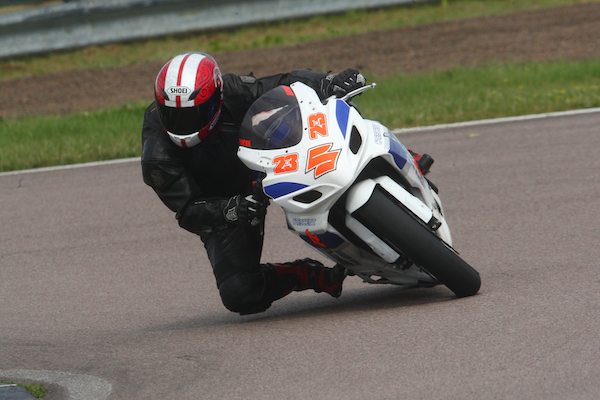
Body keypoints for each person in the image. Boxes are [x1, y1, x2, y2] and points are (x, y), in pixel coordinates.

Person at [141, 52, 367, 315]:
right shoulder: (157, 156)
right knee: (239, 292)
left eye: (193, 113)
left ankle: (393, 162)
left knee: (334, 123)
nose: (183, 124)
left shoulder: (231, 90)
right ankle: (307, 274)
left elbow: (281, 84)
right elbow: (188, 210)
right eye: (173, 115)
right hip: (225, 200)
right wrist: (230, 209)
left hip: (266, 158)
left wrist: (327, 82)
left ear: (216, 97)